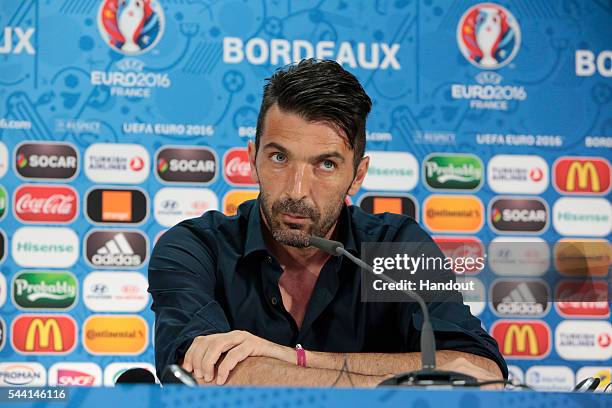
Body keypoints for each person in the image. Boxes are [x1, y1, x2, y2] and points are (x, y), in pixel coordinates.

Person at [148, 59, 507, 387]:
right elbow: (199, 375)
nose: (297, 191)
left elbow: (481, 372)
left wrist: (295, 358)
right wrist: (405, 381)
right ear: (252, 158)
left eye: (327, 164)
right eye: (279, 157)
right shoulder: (197, 248)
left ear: (357, 175)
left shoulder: (393, 248)